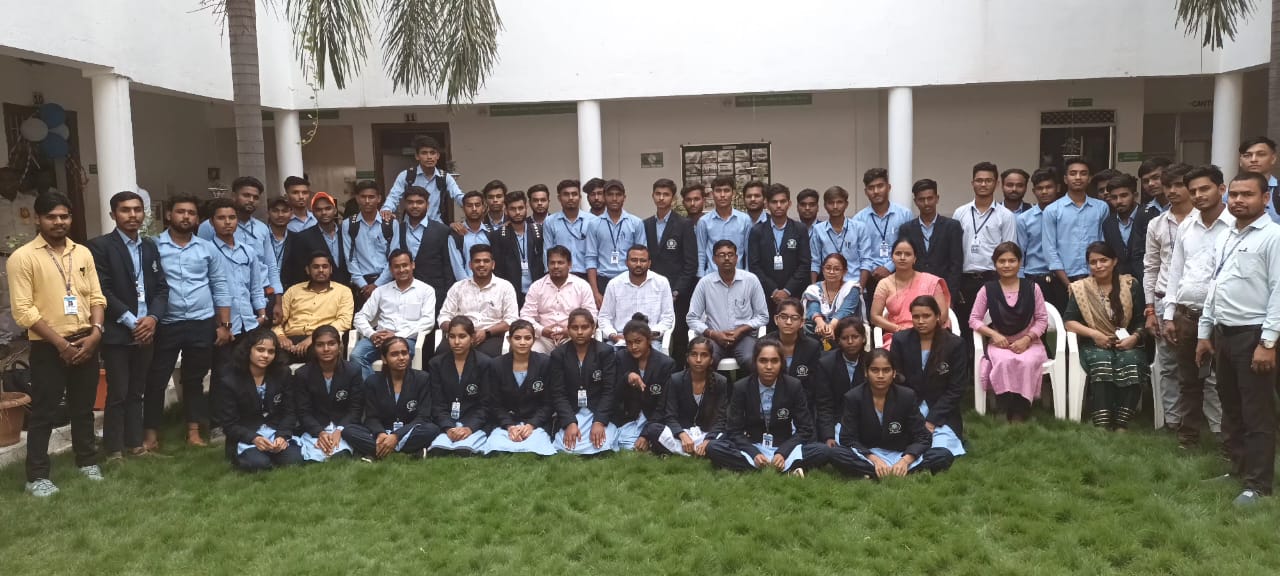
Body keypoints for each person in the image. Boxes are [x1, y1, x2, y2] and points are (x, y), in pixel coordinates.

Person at [9, 191, 108, 496]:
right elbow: (24, 311)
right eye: (51, 217)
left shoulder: (82, 253)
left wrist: (96, 333)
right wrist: (61, 345)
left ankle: (86, 461)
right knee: (44, 412)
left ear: (71, 218)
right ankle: (37, 476)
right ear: (37, 219)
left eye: (64, 216)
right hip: (48, 346)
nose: (58, 222)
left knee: (83, 407)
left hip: (86, 340)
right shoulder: (23, 258)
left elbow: (96, 297)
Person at [1195, 171, 1280, 506]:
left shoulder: (1273, 237)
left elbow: (1278, 292)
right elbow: (1215, 287)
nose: (1239, 200)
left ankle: (1258, 485)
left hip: (1253, 335)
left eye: (1248, 194)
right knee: (1231, 408)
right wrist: (1204, 332)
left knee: (1257, 412)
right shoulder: (1227, 235)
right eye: (1235, 195)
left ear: (1265, 198)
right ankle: (1238, 469)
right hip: (1223, 334)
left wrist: (1268, 343)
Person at [146, 194, 232, 448]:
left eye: (191, 213)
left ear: (197, 219)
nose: (186, 217)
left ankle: (193, 432)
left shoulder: (207, 249)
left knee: (194, 379)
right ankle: (150, 434)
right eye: (180, 211)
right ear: (169, 215)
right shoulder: (153, 247)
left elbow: (220, 286)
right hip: (166, 323)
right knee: (157, 380)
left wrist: (224, 325)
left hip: (201, 322)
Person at [88, 191, 169, 459]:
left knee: (137, 391)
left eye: (137, 209)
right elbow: (103, 290)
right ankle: (114, 450)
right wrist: (133, 322)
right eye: (125, 210)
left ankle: (135, 445)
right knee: (118, 392)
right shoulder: (100, 247)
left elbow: (161, 288)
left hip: (147, 330)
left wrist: (153, 319)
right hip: (118, 332)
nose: (132, 215)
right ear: (113, 214)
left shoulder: (149, 247)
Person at [1164, 164, 1229, 448]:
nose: (1199, 195)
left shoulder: (1236, 226)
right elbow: (1175, 271)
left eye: (1205, 189)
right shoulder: (1186, 227)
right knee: (1189, 380)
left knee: (1227, 383)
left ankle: (1229, 440)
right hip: (1188, 315)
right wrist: (1169, 315)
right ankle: (1188, 437)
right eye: (1194, 191)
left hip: (1225, 318)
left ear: (1221, 189)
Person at [704, 339, 829, 476]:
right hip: (752, 444)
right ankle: (785, 470)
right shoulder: (741, 387)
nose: (769, 366)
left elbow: (805, 429)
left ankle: (760, 468)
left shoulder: (794, 386)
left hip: (784, 445)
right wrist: (754, 453)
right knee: (713, 447)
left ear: (781, 363)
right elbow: (734, 430)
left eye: (774, 361)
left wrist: (782, 453)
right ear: (755, 362)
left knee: (823, 451)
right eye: (763, 361)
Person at [827, 349, 955, 479]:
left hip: (901, 453)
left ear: (894, 373)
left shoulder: (906, 396)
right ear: (866, 372)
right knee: (835, 453)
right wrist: (874, 459)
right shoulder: (853, 397)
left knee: (943, 455)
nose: (880, 375)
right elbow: (847, 438)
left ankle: (879, 473)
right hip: (869, 455)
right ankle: (892, 472)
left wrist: (906, 460)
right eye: (875, 370)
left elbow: (923, 436)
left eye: (886, 370)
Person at [1064, 242, 1147, 430]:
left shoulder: (1130, 285)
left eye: (1104, 260)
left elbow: (1141, 321)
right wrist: (1094, 334)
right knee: (1102, 360)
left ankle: (1122, 422)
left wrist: (1134, 338)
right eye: (1093, 262)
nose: (1099, 266)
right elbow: (1069, 322)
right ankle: (1102, 421)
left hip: (1126, 342)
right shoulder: (1081, 288)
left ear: (1114, 261)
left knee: (1131, 360)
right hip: (1094, 345)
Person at [1145, 163, 1200, 435]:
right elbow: (1150, 267)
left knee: (1205, 365)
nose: (1172, 191)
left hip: (1196, 303)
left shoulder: (1205, 221)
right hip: (1162, 299)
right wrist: (1149, 309)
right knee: (1167, 365)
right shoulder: (1156, 223)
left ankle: (1211, 425)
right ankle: (1173, 421)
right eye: (1168, 186)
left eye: (1179, 185)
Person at [208, 197, 269, 434]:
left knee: (247, 371)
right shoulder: (207, 251)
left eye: (232, 217)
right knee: (222, 374)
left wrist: (261, 313)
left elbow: (255, 287)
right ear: (212, 222)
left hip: (249, 322)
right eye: (221, 218)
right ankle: (218, 423)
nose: (227, 222)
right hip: (222, 325)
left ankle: (246, 418)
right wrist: (219, 324)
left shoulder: (248, 251)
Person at [969, 242, 1049, 422]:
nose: (1007, 265)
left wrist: (1027, 339)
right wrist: (994, 335)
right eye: (1002, 261)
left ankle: (1021, 410)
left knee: (1027, 361)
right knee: (1003, 361)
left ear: (1020, 262)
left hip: (1030, 343)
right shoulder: (987, 290)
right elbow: (974, 319)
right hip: (1000, 343)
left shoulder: (1033, 288)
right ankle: (1003, 408)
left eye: (1012, 261)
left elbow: (1042, 319)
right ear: (995, 264)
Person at [217, 329, 303, 471]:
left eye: (271, 351)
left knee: (295, 459)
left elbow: (290, 412)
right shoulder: (229, 380)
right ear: (248, 350)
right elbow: (229, 424)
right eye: (260, 350)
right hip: (247, 435)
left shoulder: (283, 373)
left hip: (275, 431)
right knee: (259, 464)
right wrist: (254, 438)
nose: (266, 355)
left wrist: (282, 436)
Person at [953, 162, 1018, 348]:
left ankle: (991, 364)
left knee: (994, 327)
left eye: (988, 180)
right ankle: (967, 365)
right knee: (965, 328)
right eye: (979, 180)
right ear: (972, 183)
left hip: (993, 279)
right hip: (965, 280)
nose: (983, 184)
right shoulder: (960, 213)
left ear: (996, 184)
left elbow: (1009, 250)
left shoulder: (1006, 216)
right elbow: (954, 250)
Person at [197, 176, 283, 317]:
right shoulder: (208, 227)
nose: (251, 200)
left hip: (262, 296)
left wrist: (278, 302)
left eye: (255, 197)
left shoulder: (262, 228)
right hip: (228, 299)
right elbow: (202, 265)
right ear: (233, 196)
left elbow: (271, 265)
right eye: (246, 195)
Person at [345, 337, 438, 460]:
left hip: (408, 431)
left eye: (404, 353)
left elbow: (423, 417)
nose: (401, 358)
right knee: (349, 430)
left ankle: (376, 451)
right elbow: (371, 417)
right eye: (394, 354)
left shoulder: (422, 378)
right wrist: (381, 434)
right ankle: (407, 451)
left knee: (432, 429)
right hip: (383, 432)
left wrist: (396, 436)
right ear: (384, 359)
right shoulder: (372, 381)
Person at [351, 249, 436, 379]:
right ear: (390, 269)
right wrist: (372, 334)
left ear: (412, 265)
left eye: (405, 265)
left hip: (407, 339)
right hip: (379, 338)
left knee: (397, 357)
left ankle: (396, 390)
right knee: (356, 356)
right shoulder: (381, 291)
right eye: (396, 266)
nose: (401, 270)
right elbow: (359, 317)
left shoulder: (426, 290)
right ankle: (372, 389)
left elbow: (428, 322)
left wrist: (396, 336)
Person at [687, 240, 770, 370]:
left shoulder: (751, 280)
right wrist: (713, 334)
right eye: (721, 255)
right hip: (714, 338)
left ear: (736, 258)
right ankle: (712, 384)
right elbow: (692, 318)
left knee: (751, 359)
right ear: (714, 259)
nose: (726, 258)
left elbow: (763, 316)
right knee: (704, 360)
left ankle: (748, 384)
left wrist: (741, 330)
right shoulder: (705, 283)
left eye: (730, 254)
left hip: (744, 337)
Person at [484, 319, 558, 455]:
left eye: (527, 338)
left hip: (536, 422)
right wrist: (509, 426)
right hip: (507, 421)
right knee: (496, 445)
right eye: (517, 338)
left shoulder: (545, 363)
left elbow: (549, 403)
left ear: (534, 340)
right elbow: (494, 404)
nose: (522, 342)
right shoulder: (496, 365)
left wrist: (531, 425)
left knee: (536, 445)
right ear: (509, 339)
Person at [551, 308, 619, 455]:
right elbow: (558, 393)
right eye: (575, 328)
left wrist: (599, 421)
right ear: (568, 329)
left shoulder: (605, 352)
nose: (580, 332)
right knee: (566, 446)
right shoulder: (558, 354)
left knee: (602, 443)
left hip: (597, 410)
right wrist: (570, 422)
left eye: (585, 327)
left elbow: (609, 390)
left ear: (593, 328)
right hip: (572, 411)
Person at [378, 186, 455, 317]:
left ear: (427, 204)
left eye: (419, 202)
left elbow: (448, 266)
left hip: (436, 293)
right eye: (410, 202)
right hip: (405, 293)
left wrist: (449, 295)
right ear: (405, 204)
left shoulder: (442, 230)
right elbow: (393, 260)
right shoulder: (399, 229)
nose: (414, 206)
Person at [645, 178, 698, 364]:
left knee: (679, 333)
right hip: (652, 290)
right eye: (658, 194)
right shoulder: (646, 224)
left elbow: (691, 263)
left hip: (677, 291)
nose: (661, 198)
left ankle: (678, 371)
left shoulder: (684, 224)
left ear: (673, 198)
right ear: (653, 196)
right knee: (654, 330)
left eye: (666, 194)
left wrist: (676, 291)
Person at [292, 325, 362, 462]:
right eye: (320, 345)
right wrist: (320, 432)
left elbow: (356, 408)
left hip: (344, 426)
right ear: (313, 347)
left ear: (339, 345)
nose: (326, 349)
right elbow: (303, 411)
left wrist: (339, 430)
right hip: (316, 427)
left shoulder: (353, 370)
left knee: (341, 454)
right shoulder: (303, 374)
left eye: (331, 344)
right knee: (313, 457)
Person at [426, 317, 494, 455]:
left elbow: (486, 404)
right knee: (440, 448)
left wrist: (469, 428)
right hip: (446, 421)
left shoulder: (485, 363)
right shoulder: (436, 364)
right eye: (452, 336)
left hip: (474, 421)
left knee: (464, 449)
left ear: (472, 338)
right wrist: (448, 427)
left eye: (462, 336)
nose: (456, 342)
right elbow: (437, 403)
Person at [749, 183, 811, 328]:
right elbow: (754, 265)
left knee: (793, 329)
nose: (778, 206)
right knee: (770, 333)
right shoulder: (757, 231)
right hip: (767, 294)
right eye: (774, 202)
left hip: (794, 292)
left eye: (782, 201)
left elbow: (805, 263)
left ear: (789, 203)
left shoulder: (799, 229)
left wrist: (787, 290)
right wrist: (774, 290)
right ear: (766, 204)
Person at [437, 244, 518, 357]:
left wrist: (486, 333)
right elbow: (443, 317)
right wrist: (461, 332)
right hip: (459, 336)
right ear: (470, 265)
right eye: (477, 261)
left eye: (486, 261)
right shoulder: (458, 287)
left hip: (491, 337)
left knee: (485, 357)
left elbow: (511, 320)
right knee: (442, 354)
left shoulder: (505, 287)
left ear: (493, 264)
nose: (481, 264)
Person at [869, 239, 950, 348]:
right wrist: (898, 329)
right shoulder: (884, 284)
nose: (902, 257)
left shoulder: (931, 281)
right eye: (898, 253)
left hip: (930, 334)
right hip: (898, 336)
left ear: (915, 258)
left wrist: (925, 330)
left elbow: (943, 314)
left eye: (907, 254)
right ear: (892, 257)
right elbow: (875, 316)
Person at [274, 252, 354, 362]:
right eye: (316, 267)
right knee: (276, 362)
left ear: (331, 269)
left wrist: (313, 337)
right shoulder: (293, 291)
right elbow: (278, 319)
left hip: (321, 340)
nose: (321, 270)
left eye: (325, 266)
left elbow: (344, 321)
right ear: (308, 270)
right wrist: (281, 336)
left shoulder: (343, 292)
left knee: (320, 360)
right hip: (290, 340)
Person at [854, 168, 915, 311]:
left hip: (900, 273)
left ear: (889, 187)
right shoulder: (858, 219)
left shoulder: (904, 214)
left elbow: (910, 246)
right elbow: (859, 252)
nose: (876, 191)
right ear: (866, 192)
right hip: (871, 277)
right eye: (871, 188)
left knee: (901, 315)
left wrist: (889, 267)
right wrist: (874, 269)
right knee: (873, 317)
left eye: (880, 186)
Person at [613, 314, 676, 451]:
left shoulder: (665, 364)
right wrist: (626, 378)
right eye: (629, 343)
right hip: (628, 416)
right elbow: (614, 394)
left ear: (649, 340)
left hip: (654, 418)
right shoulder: (621, 357)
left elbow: (664, 405)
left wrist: (646, 434)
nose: (633, 347)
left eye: (638, 341)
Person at [656, 337, 728, 456]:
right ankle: (695, 450)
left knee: (727, 435)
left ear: (711, 360)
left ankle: (696, 449)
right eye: (694, 354)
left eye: (704, 355)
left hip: (707, 433)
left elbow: (721, 418)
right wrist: (682, 435)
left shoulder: (720, 381)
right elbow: (670, 415)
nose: (698, 360)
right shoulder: (676, 379)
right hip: (682, 432)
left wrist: (708, 440)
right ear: (687, 358)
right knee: (654, 429)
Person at [520, 245, 598, 354]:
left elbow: (591, 316)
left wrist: (571, 331)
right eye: (552, 263)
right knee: (532, 352)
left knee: (577, 353)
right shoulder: (537, 287)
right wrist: (541, 330)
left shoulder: (582, 286)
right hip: (543, 338)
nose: (556, 266)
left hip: (572, 337)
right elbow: (525, 316)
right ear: (547, 265)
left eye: (560, 263)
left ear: (569, 264)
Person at [1045, 157, 1108, 290]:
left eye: (1083, 173)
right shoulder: (1052, 210)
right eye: (1073, 173)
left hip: (1096, 277)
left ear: (1089, 178)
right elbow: (1049, 249)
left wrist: (1094, 277)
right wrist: (1068, 285)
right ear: (1065, 179)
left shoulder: (1101, 208)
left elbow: (1104, 243)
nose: (1078, 177)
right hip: (1062, 279)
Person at [598, 245, 675, 350]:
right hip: (621, 340)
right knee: (609, 355)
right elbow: (604, 317)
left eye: (643, 260)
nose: (638, 264)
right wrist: (613, 335)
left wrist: (651, 334)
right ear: (626, 262)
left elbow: (668, 317)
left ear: (649, 263)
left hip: (651, 340)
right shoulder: (614, 284)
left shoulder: (661, 283)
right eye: (634, 260)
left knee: (657, 357)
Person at [896, 179, 962, 301]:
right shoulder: (906, 229)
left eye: (930, 198)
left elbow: (956, 264)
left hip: (943, 289)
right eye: (921, 199)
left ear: (937, 198)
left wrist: (950, 296)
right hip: (914, 291)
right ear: (915, 201)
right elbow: (904, 262)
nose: (926, 203)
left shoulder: (952, 226)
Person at [587, 179, 646, 306]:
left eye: (618, 194)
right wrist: (595, 292)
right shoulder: (594, 224)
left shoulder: (636, 223)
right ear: (604, 197)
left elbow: (642, 257)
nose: (614, 198)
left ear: (624, 197)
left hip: (629, 279)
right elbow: (591, 258)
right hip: (603, 280)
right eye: (610, 194)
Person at [379, 135, 464, 223]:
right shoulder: (406, 175)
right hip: (410, 226)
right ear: (417, 156)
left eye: (432, 153)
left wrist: (470, 204)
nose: (429, 157)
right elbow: (393, 196)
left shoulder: (445, 177)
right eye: (424, 153)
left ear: (438, 156)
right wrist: (387, 209)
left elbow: (458, 196)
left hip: (435, 226)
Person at [765, 298, 824, 420]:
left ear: (802, 322)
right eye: (783, 317)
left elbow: (813, 386)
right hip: (770, 404)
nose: (788, 322)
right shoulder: (765, 344)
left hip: (802, 406)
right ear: (776, 319)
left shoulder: (812, 347)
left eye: (794, 318)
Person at [814, 317, 869, 446]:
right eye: (845, 338)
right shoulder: (826, 364)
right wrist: (828, 436)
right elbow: (824, 404)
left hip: (865, 420)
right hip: (837, 420)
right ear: (838, 340)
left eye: (855, 337)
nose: (850, 342)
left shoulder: (870, 362)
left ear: (863, 338)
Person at [1019, 168, 1067, 311]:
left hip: (1063, 277)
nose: (1044, 192)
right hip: (1035, 277)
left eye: (1048, 187)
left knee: (1064, 320)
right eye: (1040, 188)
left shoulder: (1067, 215)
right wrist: (1021, 283)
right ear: (1034, 191)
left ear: (1058, 188)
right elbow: (1020, 253)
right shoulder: (1024, 219)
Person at [280, 191, 351, 288]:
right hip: (317, 291)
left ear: (335, 210)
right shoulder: (303, 237)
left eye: (328, 208)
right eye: (319, 209)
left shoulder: (347, 232)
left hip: (347, 290)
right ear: (313, 213)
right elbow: (298, 271)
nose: (324, 212)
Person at [0, 167, 37, 346]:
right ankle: (5, 338)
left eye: (12, 179)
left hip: (30, 257)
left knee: (33, 295)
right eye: (4, 180)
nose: (9, 184)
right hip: (4, 258)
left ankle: (30, 331)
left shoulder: (30, 201)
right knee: (7, 299)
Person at [490, 190, 545, 308]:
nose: (517, 212)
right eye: (513, 209)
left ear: (526, 208)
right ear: (506, 211)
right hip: (511, 295)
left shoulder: (539, 232)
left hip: (538, 292)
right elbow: (497, 269)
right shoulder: (498, 235)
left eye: (521, 208)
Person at [809, 185, 872, 287]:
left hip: (853, 284)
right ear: (825, 205)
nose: (835, 206)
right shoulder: (818, 229)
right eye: (831, 203)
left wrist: (860, 288)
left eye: (839, 202)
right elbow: (815, 262)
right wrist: (813, 287)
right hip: (828, 286)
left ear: (846, 204)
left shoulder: (859, 228)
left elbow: (866, 260)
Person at [346, 181, 393, 310]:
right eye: (363, 197)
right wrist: (363, 286)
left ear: (379, 198)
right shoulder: (348, 224)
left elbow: (394, 257)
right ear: (357, 198)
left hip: (387, 282)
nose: (367, 201)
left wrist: (377, 285)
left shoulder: (390, 223)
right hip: (362, 286)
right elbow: (350, 258)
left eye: (371, 197)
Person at [695, 175, 753, 276]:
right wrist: (701, 276)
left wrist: (747, 274)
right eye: (718, 191)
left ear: (733, 194)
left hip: (738, 276)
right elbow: (701, 252)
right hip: (711, 276)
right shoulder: (704, 222)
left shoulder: (745, 220)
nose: (722, 195)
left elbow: (749, 251)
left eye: (726, 190)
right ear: (712, 194)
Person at [543, 179, 597, 280]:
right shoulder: (550, 221)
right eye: (566, 194)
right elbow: (547, 251)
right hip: (560, 274)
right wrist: (549, 275)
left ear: (580, 197)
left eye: (574, 194)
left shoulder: (593, 221)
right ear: (559, 198)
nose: (571, 198)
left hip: (587, 274)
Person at [802, 253, 861, 344]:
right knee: (809, 327)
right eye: (828, 268)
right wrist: (820, 323)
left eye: (836, 269)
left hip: (844, 330)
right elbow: (813, 308)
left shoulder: (851, 288)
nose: (831, 272)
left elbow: (845, 311)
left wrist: (831, 326)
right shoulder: (814, 289)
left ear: (844, 271)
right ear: (823, 269)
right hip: (818, 328)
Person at [1102, 174, 1148, 283]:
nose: (1119, 201)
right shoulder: (1108, 224)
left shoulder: (1149, 216)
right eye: (1114, 197)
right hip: (1120, 283)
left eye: (1124, 196)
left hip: (1147, 281)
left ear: (1135, 195)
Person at [1234, 136, 1280, 223]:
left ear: (1273, 159)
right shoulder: (1227, 195)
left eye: (1261, 154)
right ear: (1240, 161)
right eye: (1247, 155)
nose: (1253, 159)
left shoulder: (1278, 191)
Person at [448, 190, 491, 281]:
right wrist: (469, 286)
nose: (474, 208)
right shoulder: (455, 235)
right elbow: (457, 268)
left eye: (477, 205)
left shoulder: (491, 233)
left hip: (491, 285)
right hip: (465, 285)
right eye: (469, 205)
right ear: (463, 208)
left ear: (483, 207)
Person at [267, 197, 292, 274]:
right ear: (268, 213)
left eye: (285, 211)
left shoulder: (297, 240)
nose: (280, 215)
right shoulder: (260, 236)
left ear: (291, 213)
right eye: (275, 211)